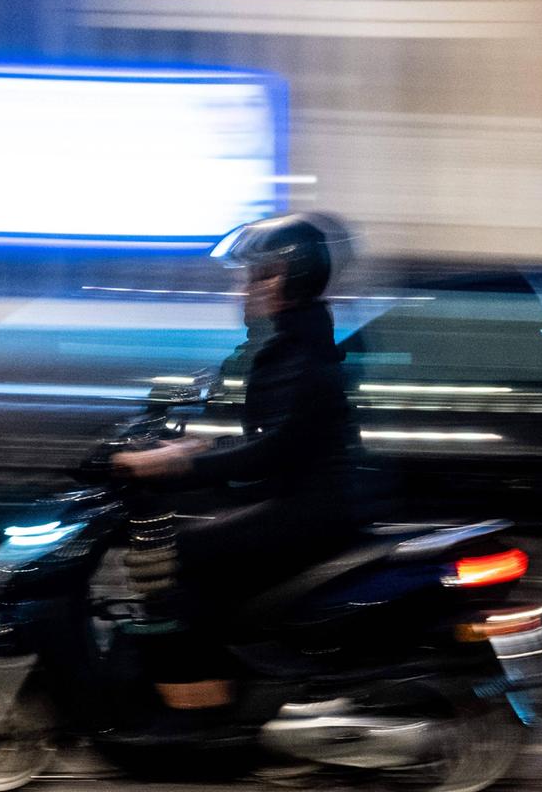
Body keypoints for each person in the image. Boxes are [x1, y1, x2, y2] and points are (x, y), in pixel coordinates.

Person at [111, 212, 364, 712]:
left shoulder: (300, 352)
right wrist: (195, 447)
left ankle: (205, 699)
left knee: (187, 546)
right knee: (198, 532)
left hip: (313, 505)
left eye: (258, 276)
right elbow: (274, 434)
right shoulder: (293, 342)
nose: (243, 291)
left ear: (291, 280)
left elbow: (276, 448)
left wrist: (178, 466)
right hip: (305, 495)